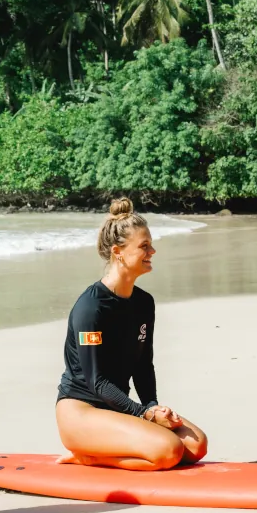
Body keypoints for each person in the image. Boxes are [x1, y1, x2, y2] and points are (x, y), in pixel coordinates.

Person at [55, 198, 208, 470]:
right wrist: (145, 414)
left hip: (117, 408)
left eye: (151, 244)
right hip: (81, 411)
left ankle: (118, 445)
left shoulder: (143, 302)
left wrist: (153, 406)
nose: (153, 251)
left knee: (196, 445)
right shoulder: (91, 308)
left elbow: (142, 365)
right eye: (144, 246)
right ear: (119, 252)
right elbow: (96, 382)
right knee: (168, 451)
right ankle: (87, 456)